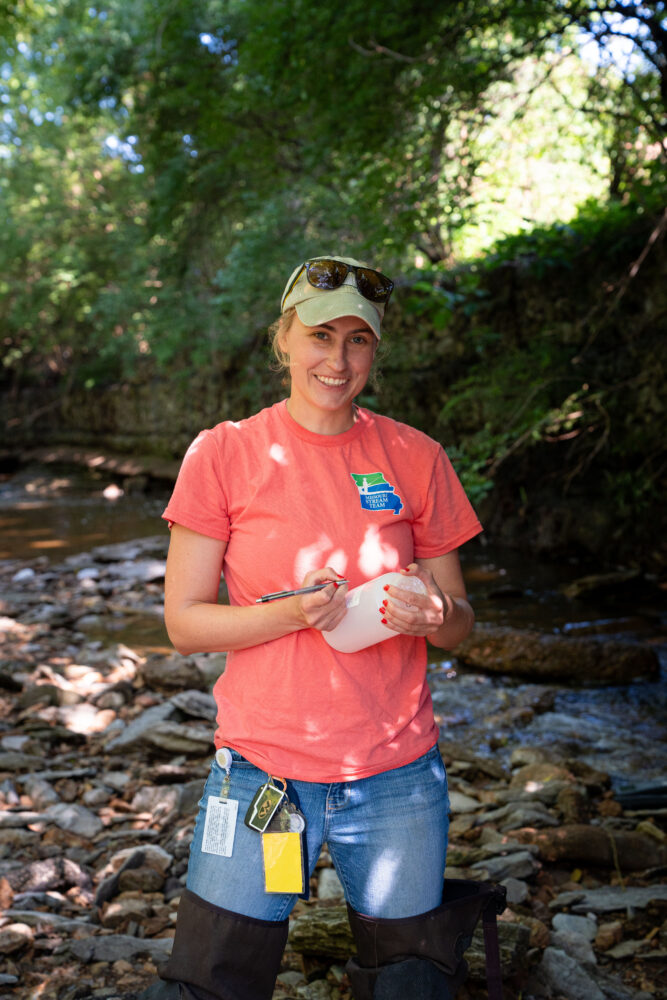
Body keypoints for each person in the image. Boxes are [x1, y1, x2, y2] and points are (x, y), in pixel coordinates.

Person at [143, 255, 482, 1000]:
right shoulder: (223, 453)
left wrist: (435, 613)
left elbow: (458, 624)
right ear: (283, 340)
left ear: (374, 350)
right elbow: (185, 625)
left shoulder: (416, 457)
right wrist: (292, 612)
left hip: (395, 779)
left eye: (357, 340)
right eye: (320, 335)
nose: (337, 358)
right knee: (210, 981)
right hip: (263, 775)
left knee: (411, 982)